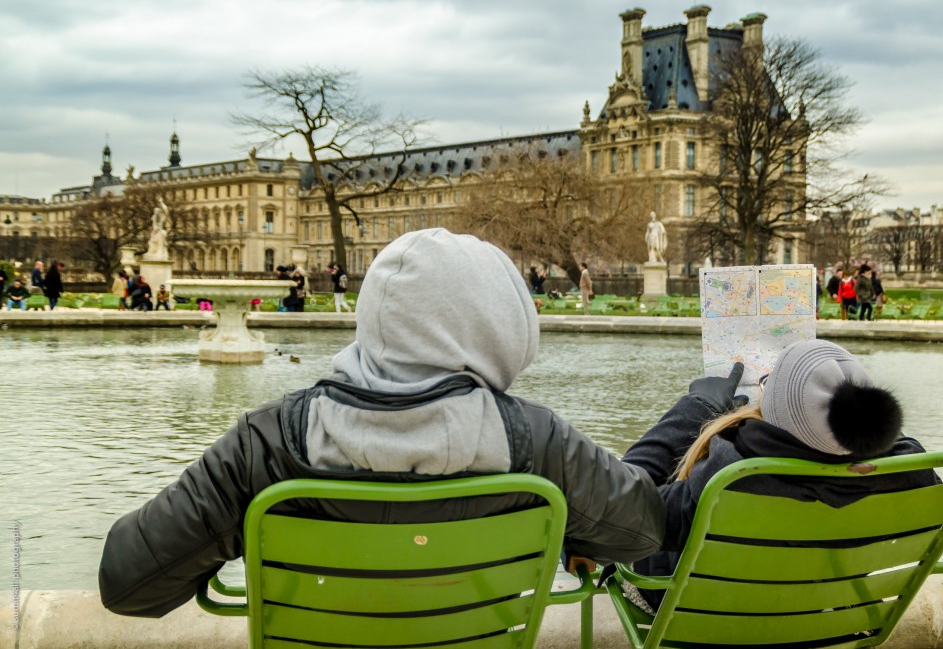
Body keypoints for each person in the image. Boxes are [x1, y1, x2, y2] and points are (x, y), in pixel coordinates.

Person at [98, 228, 665, 618]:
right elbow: (641, 532)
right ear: (500, 327)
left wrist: (235, 530)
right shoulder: (535, 443)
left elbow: (126, 584)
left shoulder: (266, 443)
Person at [618, 339, 938, 613]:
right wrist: (864, 437)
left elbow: (619, 506)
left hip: (701, 615)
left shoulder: (724, 480)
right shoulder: (909, 479)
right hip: (816, 613)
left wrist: (692, 409)